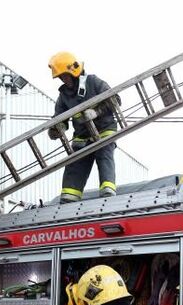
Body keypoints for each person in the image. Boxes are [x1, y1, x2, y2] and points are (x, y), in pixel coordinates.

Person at [47, 52, 119, 203]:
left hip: (104, 129)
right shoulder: (64, 95)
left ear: (74, 71)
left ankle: (107, 191)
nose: (64, 80)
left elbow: (115, 99)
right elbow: (60, 118)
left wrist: (97, 111)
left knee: (104, 154)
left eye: (65, 76)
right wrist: (56, 129)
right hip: (82, 136)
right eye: (61, 77)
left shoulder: (93, 82)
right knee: (75, 164)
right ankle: (69, 197)